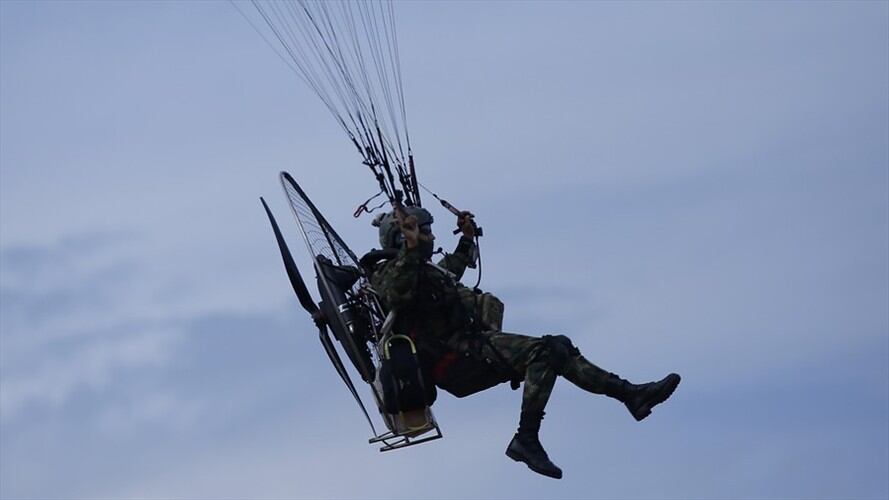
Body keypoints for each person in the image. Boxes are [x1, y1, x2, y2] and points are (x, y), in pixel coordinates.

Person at [368, 206, 680, 479]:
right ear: (402, 237)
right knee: (541, 351)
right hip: (455, 358)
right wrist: (410, 247)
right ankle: (527, 439)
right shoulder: (386, 272)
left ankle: (630, 395)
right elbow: (396, 292)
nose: (433, 238)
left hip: (474, 346)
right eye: (425, 232)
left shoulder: (426, 270)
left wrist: (466, 237)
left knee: (556, 349)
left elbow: (451, 268)